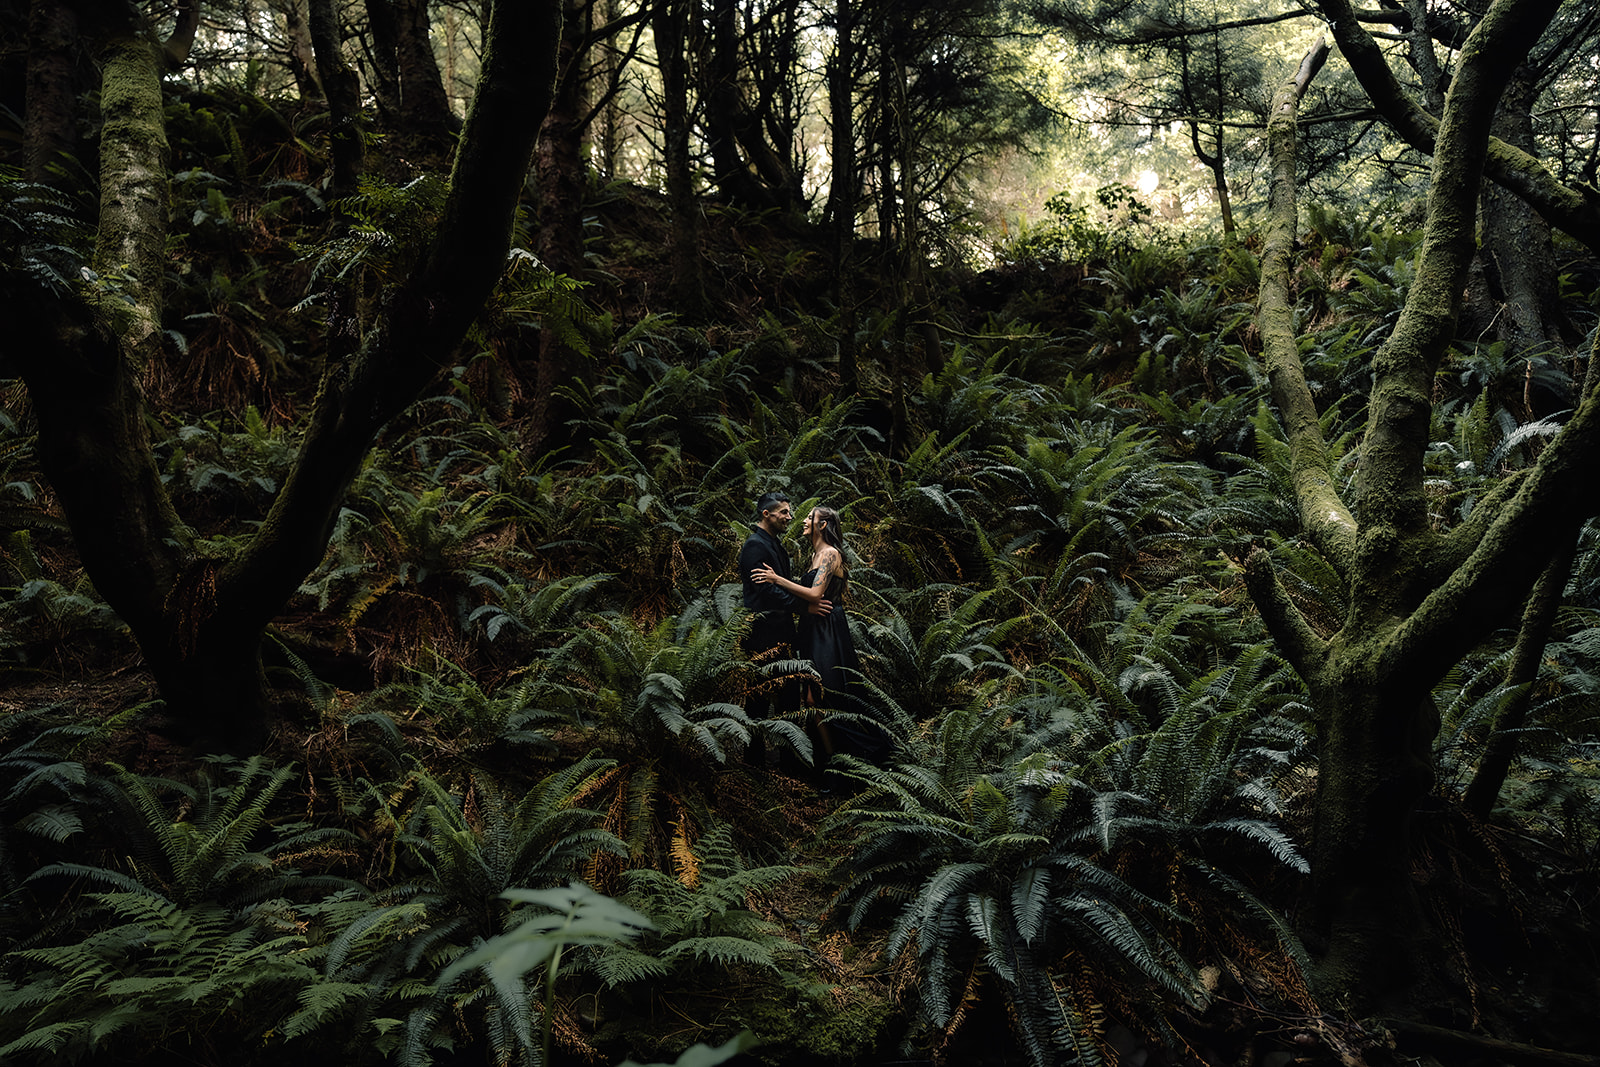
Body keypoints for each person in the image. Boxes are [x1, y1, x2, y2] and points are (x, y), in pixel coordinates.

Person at [750, 505, 890, 778]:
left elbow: (815, 594)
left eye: (809, 517)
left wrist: (777, 580)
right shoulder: (816, 555)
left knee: (822, 697)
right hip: (813, 630)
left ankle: (841, 765)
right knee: (813, 696)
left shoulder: (830, 554)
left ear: (823, 524)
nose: (803, 520)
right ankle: (831, 763)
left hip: (828, 631)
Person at [737, 491, 829, 723]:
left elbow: (781, 585)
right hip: (763, 635)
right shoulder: (755, 546)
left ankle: (788, 756)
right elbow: (767, 591)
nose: (790, 517)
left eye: (790, 512)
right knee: (759, 698)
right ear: (766, 514)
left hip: (782, 632)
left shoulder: (774, 544)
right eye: (784, 512)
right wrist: (804, 608)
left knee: (788, 697)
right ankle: (755, 757)